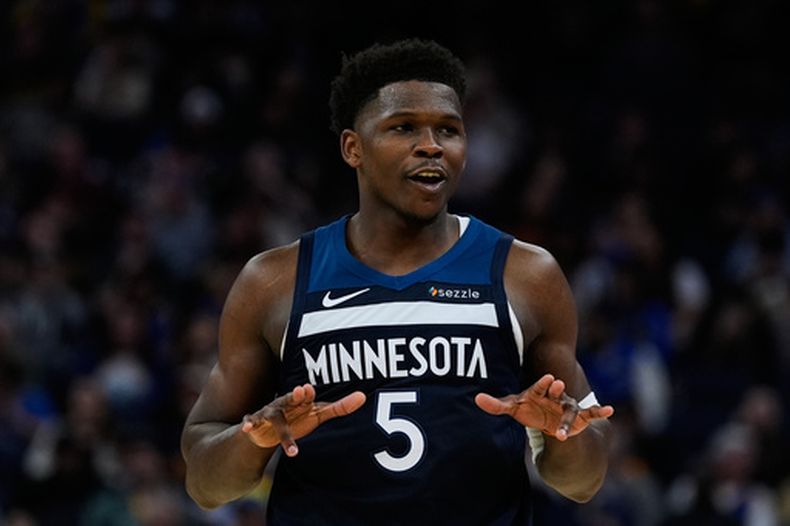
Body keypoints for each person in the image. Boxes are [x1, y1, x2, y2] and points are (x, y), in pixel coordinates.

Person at [181, 38, 614, 525]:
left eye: (448, 130)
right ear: (353, 148)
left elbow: (584, 481)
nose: (431, 145)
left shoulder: (526, 274)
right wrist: (251, 441)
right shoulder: (274, 280)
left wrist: (566, 435)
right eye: (404, 127)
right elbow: (204, 483)